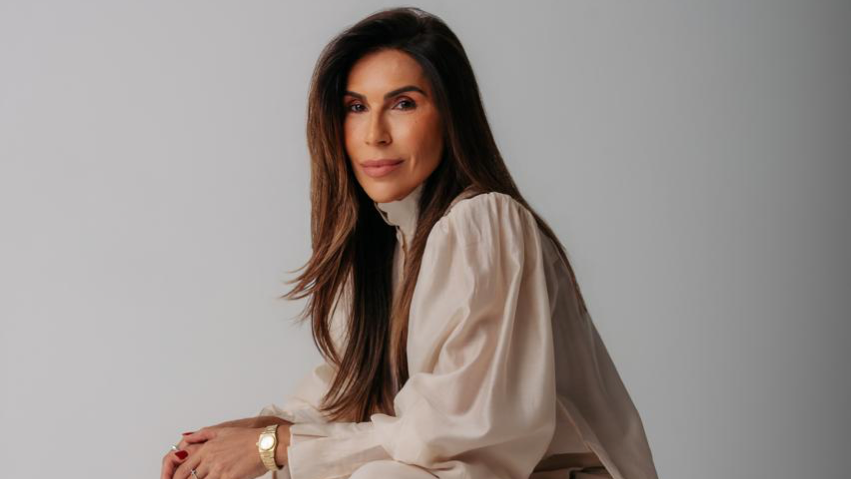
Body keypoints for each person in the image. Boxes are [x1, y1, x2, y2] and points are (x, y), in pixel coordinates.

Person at [161, 7, 659, 479]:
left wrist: (278, 445)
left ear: (450, 116)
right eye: (356, 107)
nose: (374, 134)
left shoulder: (484, 223)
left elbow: (458, 432)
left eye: (403, 104)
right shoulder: (386, 245)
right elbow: (343, 398)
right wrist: (251, 435)